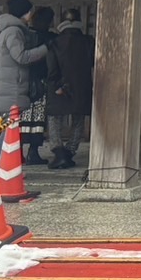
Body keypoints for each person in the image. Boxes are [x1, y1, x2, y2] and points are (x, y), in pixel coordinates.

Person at [0, 0, 48, 151]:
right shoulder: (14, 31)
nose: (31, 15)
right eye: (29, 12)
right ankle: (1, 159)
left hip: (10, 85)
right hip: (11, 86)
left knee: (10, 125)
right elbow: (21, 56)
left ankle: (2, 160)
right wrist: (45, 49)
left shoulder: (11, 30)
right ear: (24, 13)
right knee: (10, 126)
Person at [44, 10, 95, 169]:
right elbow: (93, 62)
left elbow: (52, 68)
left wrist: (56, 85)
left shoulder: (55, 42)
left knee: (55, 118)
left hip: (60, 85)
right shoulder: (89, 41)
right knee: (78, 118)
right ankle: (70, 151)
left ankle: (59, 152)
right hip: (82, 85)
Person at [21, 5, 56, 164]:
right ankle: (33, 152)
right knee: (38, 119)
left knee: (22, 118)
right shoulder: (50, 38)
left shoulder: (25, 34)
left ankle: (17, 152)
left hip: (24, 80)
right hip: (41, 80)